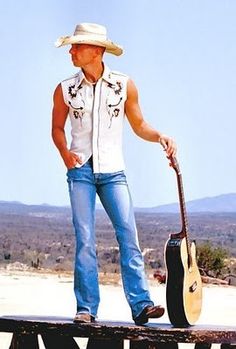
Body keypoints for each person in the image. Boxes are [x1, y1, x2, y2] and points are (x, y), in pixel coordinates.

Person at [52, 22, 177, 325]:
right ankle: (86, 309)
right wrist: (66, 155)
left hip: (113, 172)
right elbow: (56, 128)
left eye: (77, 46)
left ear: (95, 51)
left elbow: (139, 125)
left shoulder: (124, 85)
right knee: (85, 239)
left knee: (129, 237)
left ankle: (141, 305)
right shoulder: (65, 88)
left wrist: (160, 135)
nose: (71, 51)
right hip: (80, 171)